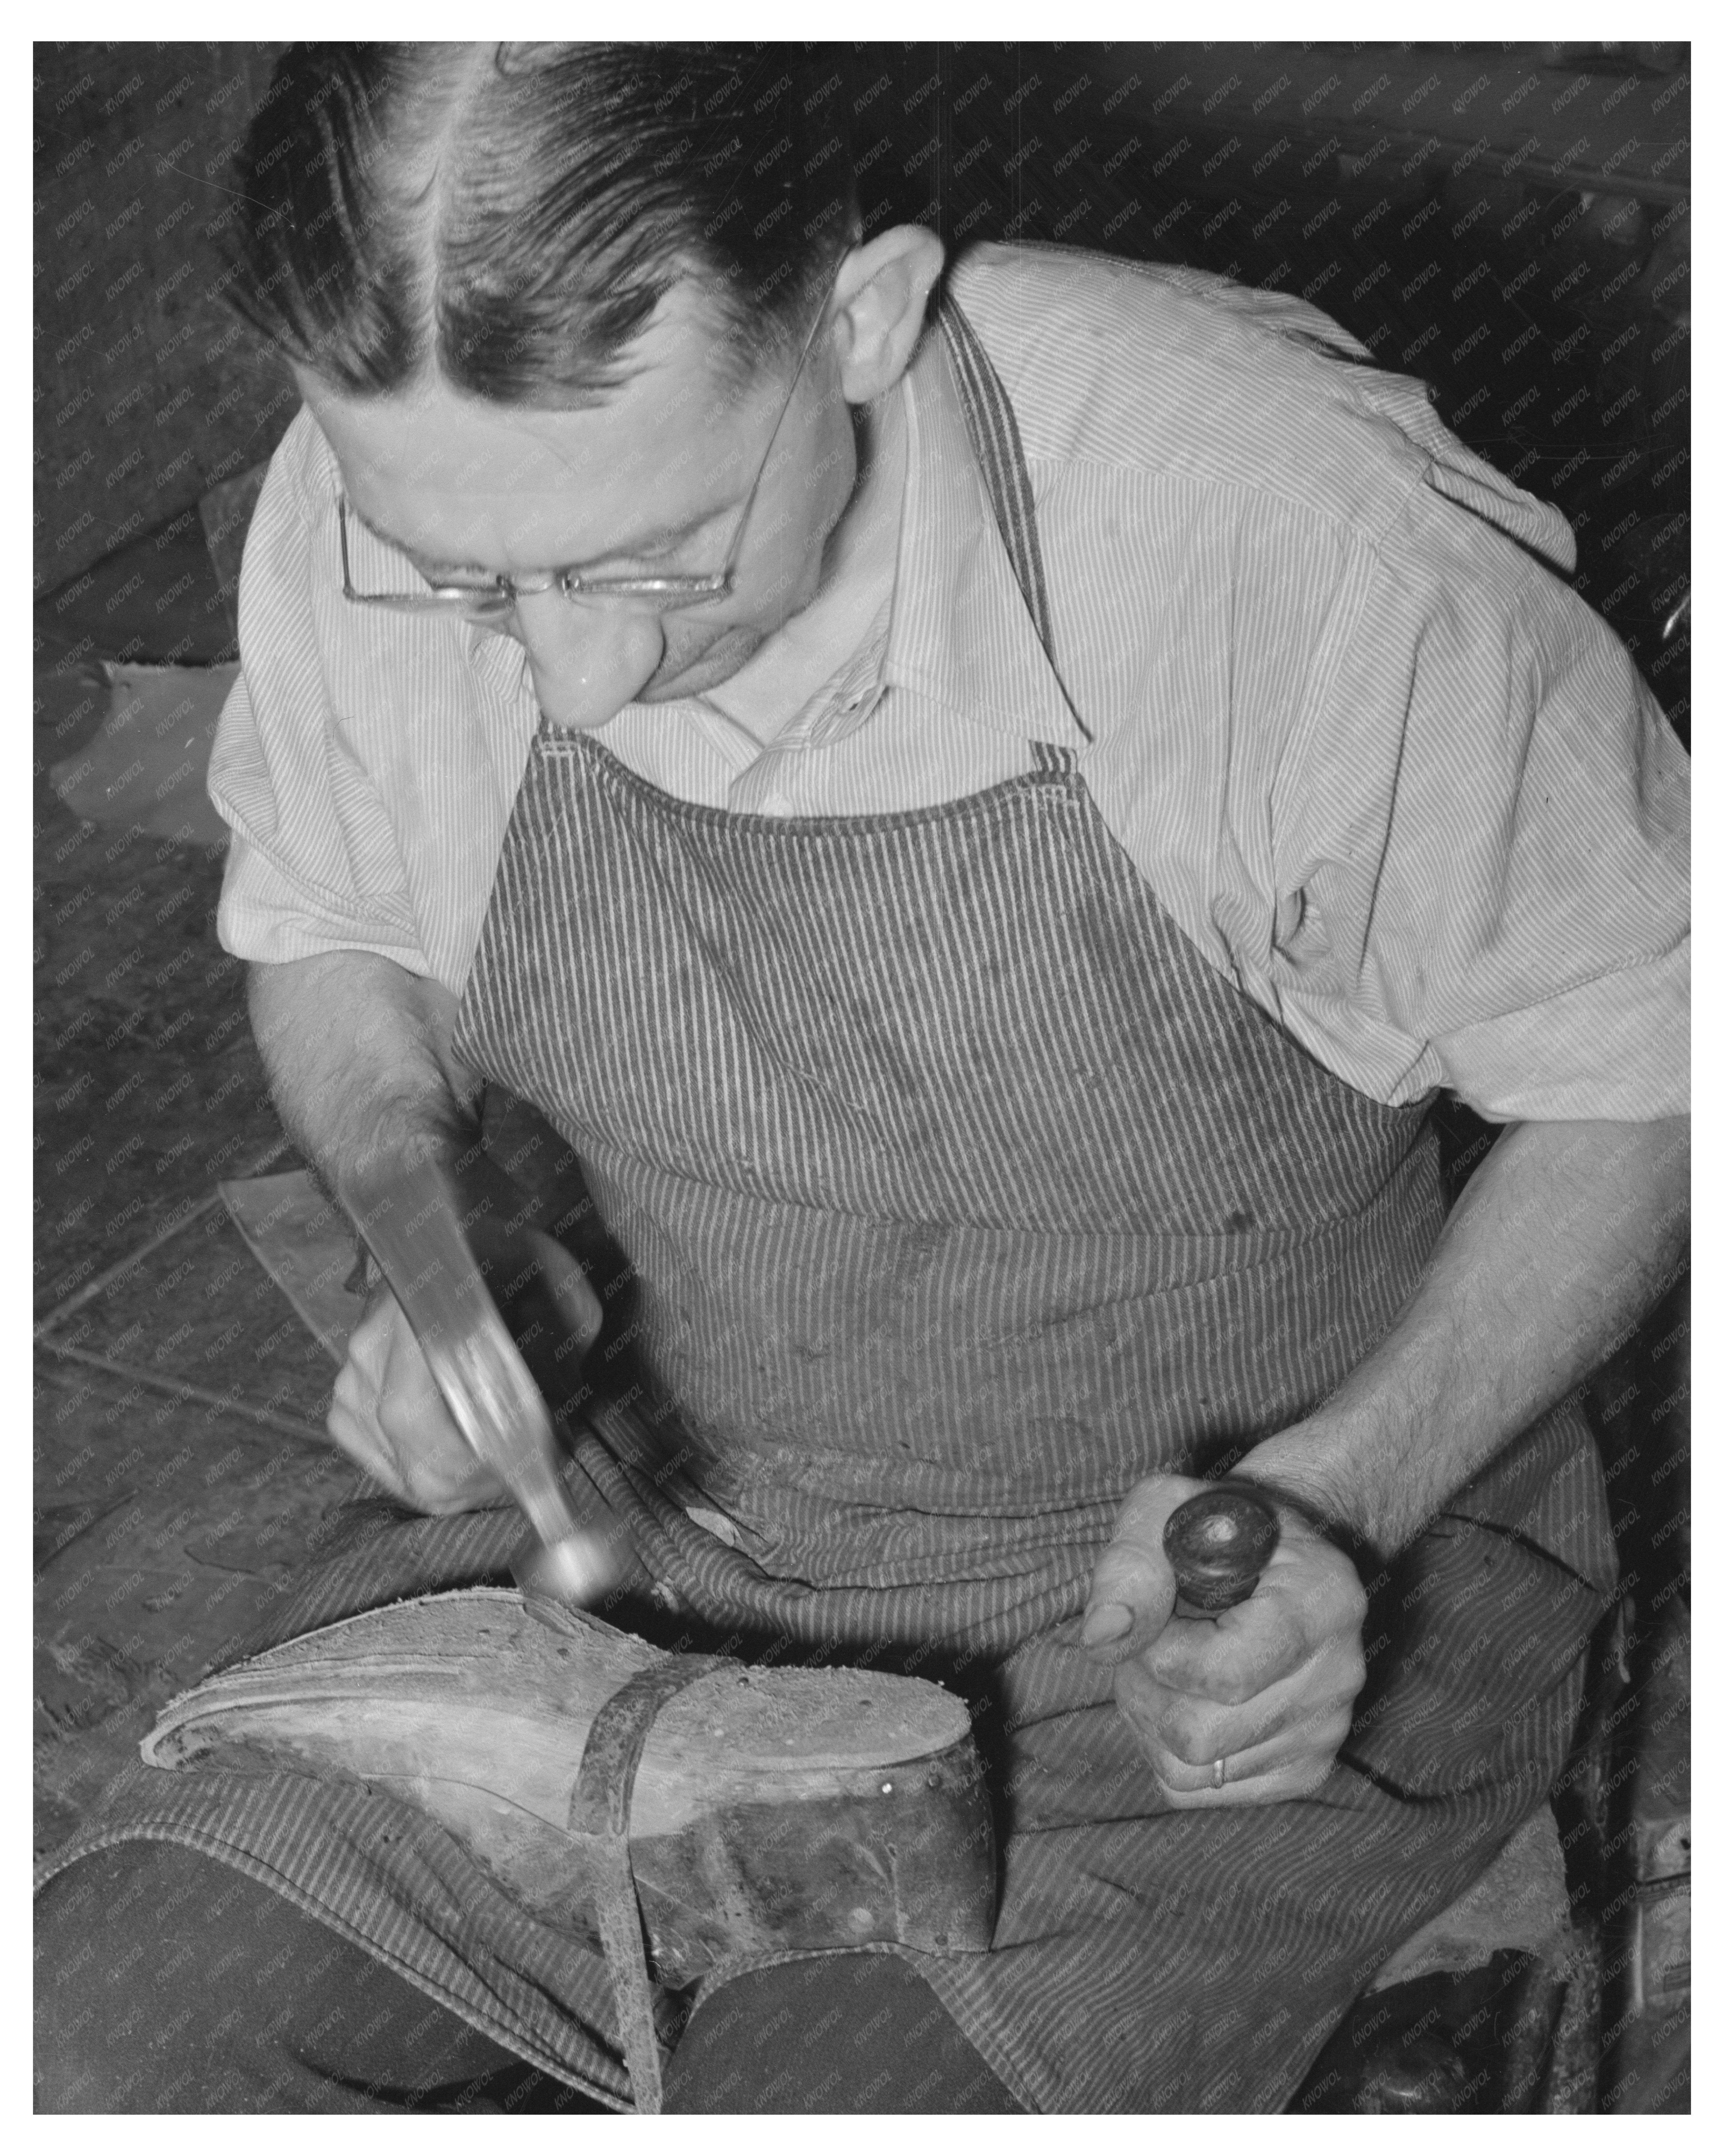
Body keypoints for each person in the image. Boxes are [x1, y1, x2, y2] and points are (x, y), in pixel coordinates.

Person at [36, 43, 1689, 2114]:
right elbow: (336, 926)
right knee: (85, 2024)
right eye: (473, 585)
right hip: (668, 1545)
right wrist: (423, 1206)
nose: (574, 671)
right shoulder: (400, 481)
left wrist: (1340, 1492)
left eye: (652, 558)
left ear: (864, 310)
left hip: (1187, 1633)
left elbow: (1645, 1061)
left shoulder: (1266, 537)